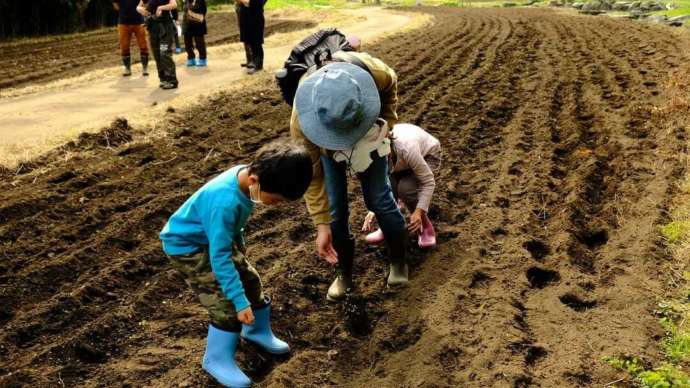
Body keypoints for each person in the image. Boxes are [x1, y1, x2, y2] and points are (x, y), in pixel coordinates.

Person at [160, 140, 312, 388]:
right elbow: (219, 257)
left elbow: (234, 227)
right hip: (188, 247)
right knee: (225, 303)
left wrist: (239, 246)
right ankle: (217, 359)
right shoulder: (224, 203)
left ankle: (256, 331)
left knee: (250, 279)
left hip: (214, 238)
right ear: (254, 181)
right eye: (274, 200)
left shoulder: (250, 177)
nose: (275, 205)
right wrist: (240, 302)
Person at [290, 50, 409, 302]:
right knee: (335, 209)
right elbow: (313, 177)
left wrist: (388, 123)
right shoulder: (302, 120)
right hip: (327, 150)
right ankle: (343, 272)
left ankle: (398, 260)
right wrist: (322, 224)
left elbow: (392, 82)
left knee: (379, 198)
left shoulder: (374, 72)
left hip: (367, 132)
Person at [362, 123, 441, 249]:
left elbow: (428, 182)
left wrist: (418, 211)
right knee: (389, 185)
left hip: (426, 156)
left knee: (406, 189)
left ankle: (425, 225)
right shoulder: (376, 154)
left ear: (387, 153)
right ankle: (387, 225)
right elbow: (380, 185)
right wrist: (374, 211)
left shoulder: (408, 149)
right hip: (400, 161)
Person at [137, 0, 179, 89]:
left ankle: (172, 80)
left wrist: (161, 7)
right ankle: (163, 79)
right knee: (157, 54)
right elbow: (139, 6)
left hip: (165, 26)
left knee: (164, 53)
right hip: (153, 27)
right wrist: (140, 9)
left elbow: (174, 4)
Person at [113, 0, 149, 76]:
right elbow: (115, 5)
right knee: (124, 46)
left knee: (143, 45)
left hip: (139, 21)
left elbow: (146, 2)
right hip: (123, 22)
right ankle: (127, 69)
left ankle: (145, 68)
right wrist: (125, 11)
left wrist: (140, 10)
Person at [237, 0, 265, 74]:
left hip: (256, 17)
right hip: (247, 17)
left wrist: (243, 1)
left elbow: (254, 3)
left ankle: (259, 66)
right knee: (251, 42)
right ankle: (254, 63)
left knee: (256, 42)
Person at [182, 0, 208, 67]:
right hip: (187, 25)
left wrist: (192, 14)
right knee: (187, 43)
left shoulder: (200, 1)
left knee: (199, 43)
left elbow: (203, 13)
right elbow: (185, 11)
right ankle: (191, 58)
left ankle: (202, 59)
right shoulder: (186, 1)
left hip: (198, 25)